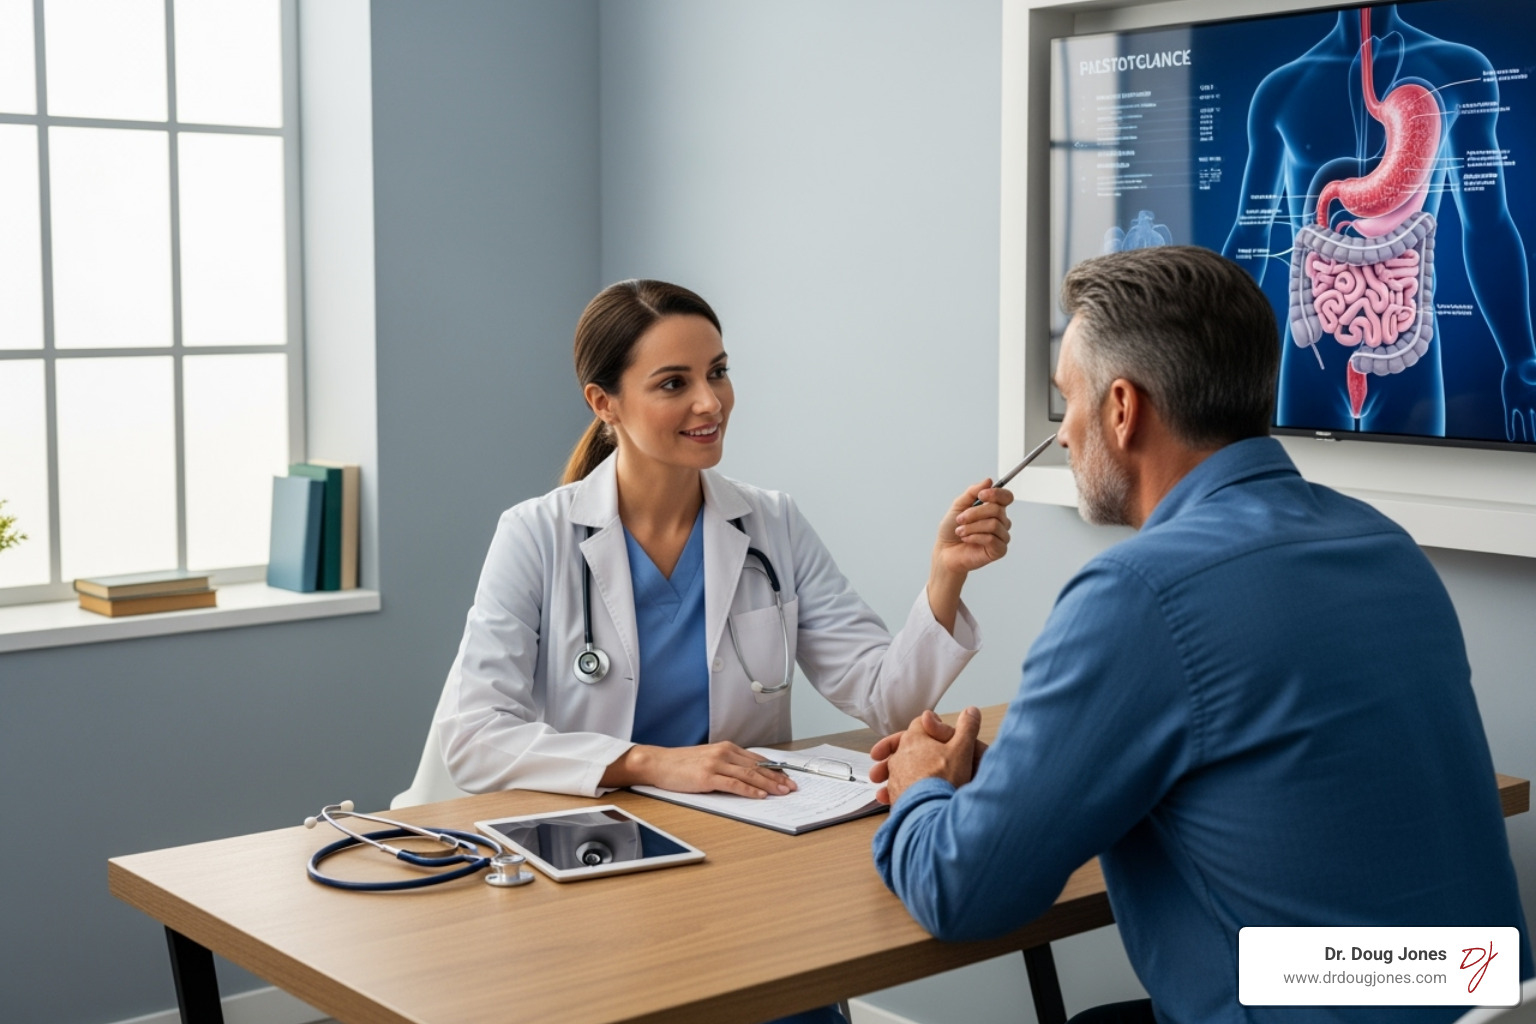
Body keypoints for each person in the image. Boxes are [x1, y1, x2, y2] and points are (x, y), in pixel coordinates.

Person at [868, 246, 1531, 1023]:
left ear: (1122, 409)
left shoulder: (1140, 593)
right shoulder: (1381, 544)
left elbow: (962, 890)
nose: (1065, 434)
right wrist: (1024, 778)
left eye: (1068, 401)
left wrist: (919, 788)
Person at [436, 278, 1013, 803]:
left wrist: (946, 573)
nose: (710, 402)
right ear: (603, 402)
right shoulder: (536, 535)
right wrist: (648, 764)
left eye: (717, 371)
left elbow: (888, 702)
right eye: (673, 383)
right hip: (595, 834)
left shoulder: (773, 522)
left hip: (743, 831)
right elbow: (474, 737)